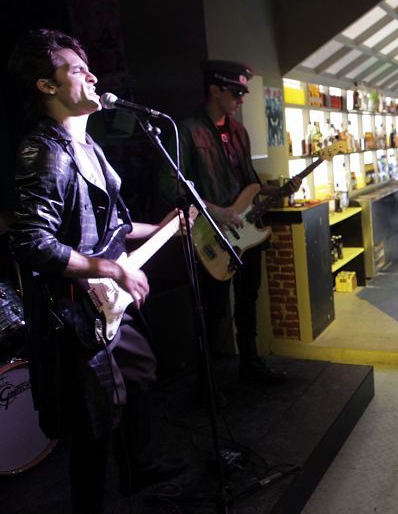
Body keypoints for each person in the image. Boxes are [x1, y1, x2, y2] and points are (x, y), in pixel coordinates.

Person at [7, 29, 183, 513]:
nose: (91, 74)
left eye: (89, 66)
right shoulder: (43, 149)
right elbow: (29, 241)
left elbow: (115, 226)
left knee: (141, 374)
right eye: (75, 68)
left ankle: (138, 470)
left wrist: (166, 228)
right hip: (74, 310)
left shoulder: (91, 148)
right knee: (93, 426)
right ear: (46, 85)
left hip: (105, 300)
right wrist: (108, 268)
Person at [158, 60, 299, 386]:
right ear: (214, 90)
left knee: (249, 298)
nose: (241, 99)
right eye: (236, 92)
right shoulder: (186, 130)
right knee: (213, 311)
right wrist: (214, 211)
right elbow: (169, 185)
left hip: (245, 232)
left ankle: (250, 364)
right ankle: (206, 384)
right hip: (212, 234)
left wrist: (273, 191)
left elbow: (247, 181)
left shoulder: (238, 131)